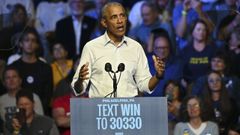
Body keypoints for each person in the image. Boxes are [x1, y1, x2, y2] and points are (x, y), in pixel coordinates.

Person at [71, 2, 165, 97]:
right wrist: (80, 80)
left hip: (128, 109)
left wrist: (158, 76)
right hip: (100, 109)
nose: (120, 21)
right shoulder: (91, 48)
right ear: (104, 22)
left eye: (122, 16)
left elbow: (145, 86)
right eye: (114, 17)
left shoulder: (136, 47)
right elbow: (78, 89)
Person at [10, 27, 53, 115]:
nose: (30, 43)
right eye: (27, 40)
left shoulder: (45, 68)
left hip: (40, 113)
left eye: (33, 41)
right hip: (17, 112)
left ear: (37, 45)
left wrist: (36, 112)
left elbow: (48, 95)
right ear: (21, 44)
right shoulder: (13, 67)